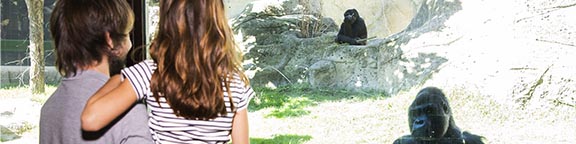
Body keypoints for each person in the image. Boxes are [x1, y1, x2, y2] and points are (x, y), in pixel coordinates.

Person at [81, 0, 255, 143]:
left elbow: (90, 120)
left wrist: (118, 78)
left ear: (167, 22)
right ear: (218, 22)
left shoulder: (150, 74)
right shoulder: (235, 83)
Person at [39, 0, 153, 143]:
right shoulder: (127, 110)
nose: (130, 44)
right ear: (109, 39)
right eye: (127, 33)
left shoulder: (49, 110)